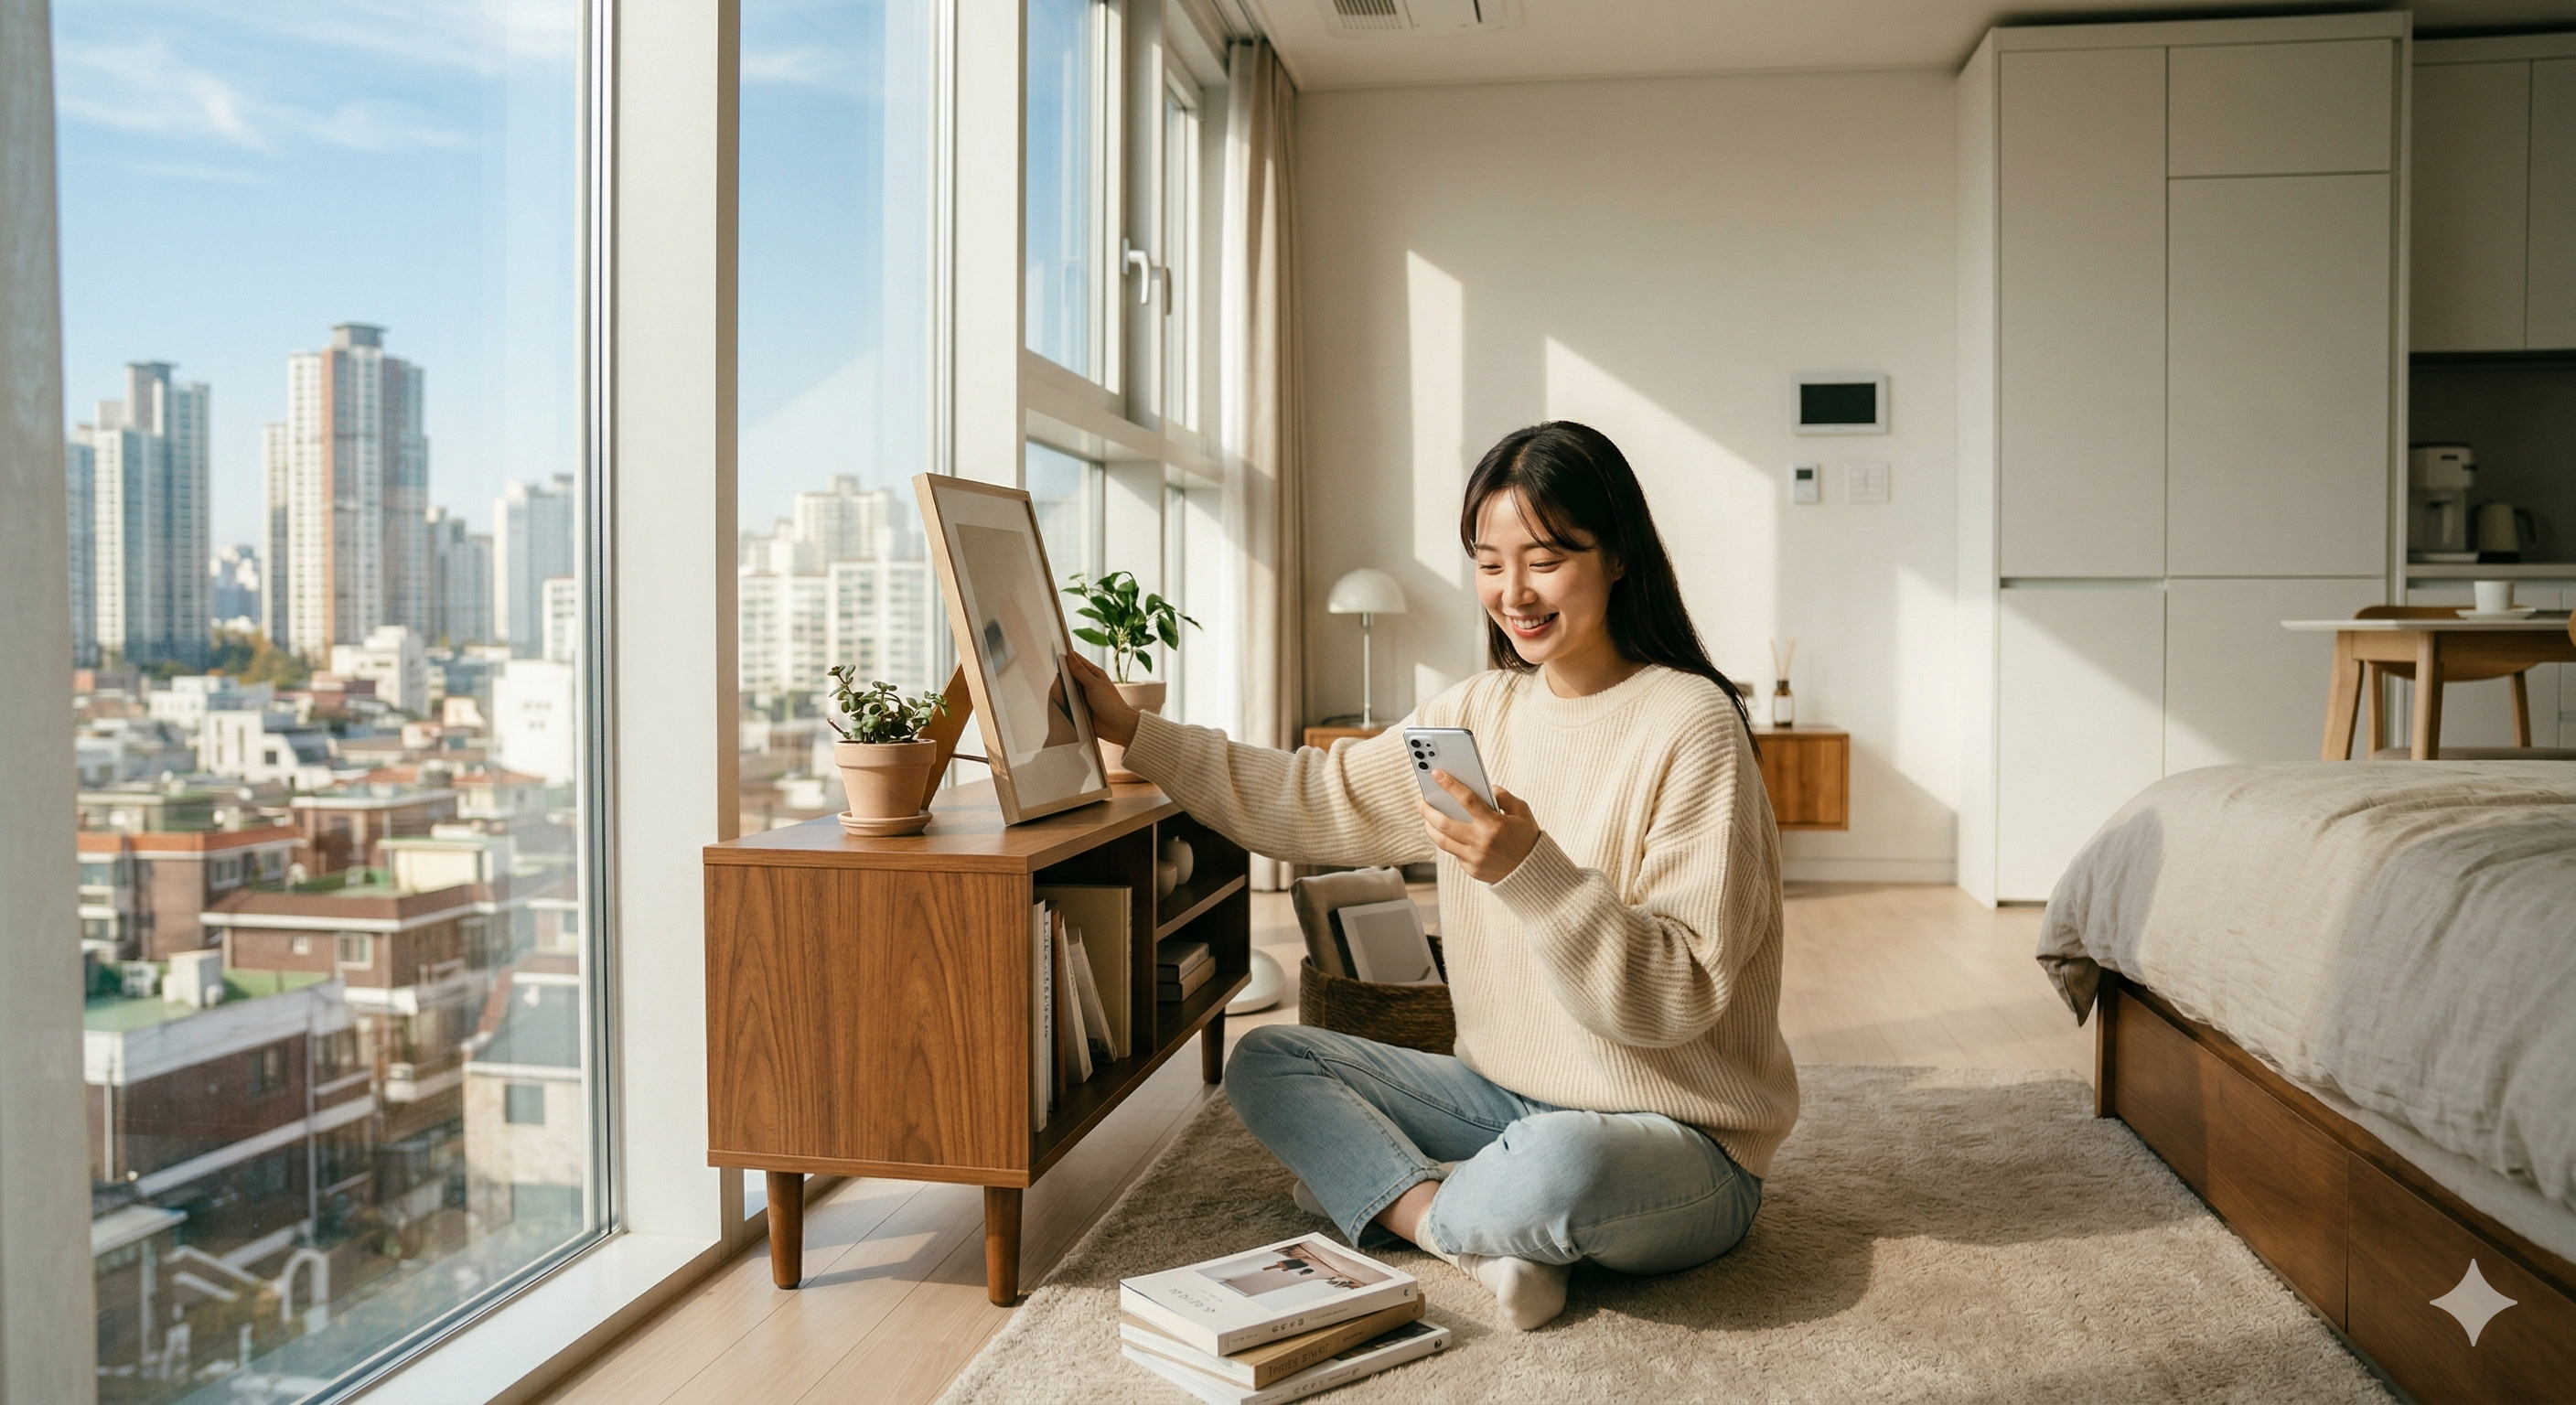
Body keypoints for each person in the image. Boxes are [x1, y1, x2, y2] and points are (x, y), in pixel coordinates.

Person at [1067, 421, 1796, 1332]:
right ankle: (1453, 1227)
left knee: (1557, 1165)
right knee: (1269, 1058)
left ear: (1616, 558)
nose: (1512, 593)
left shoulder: (1691, 724)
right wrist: (1133, 732)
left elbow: (1673, 1003)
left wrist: (1531, 873)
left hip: (1681, 1136)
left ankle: (1402, 1196)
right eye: (1488, 563)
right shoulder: (1474, 713)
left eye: (1544, 558)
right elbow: (1312, 797)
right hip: (1501, 1097)